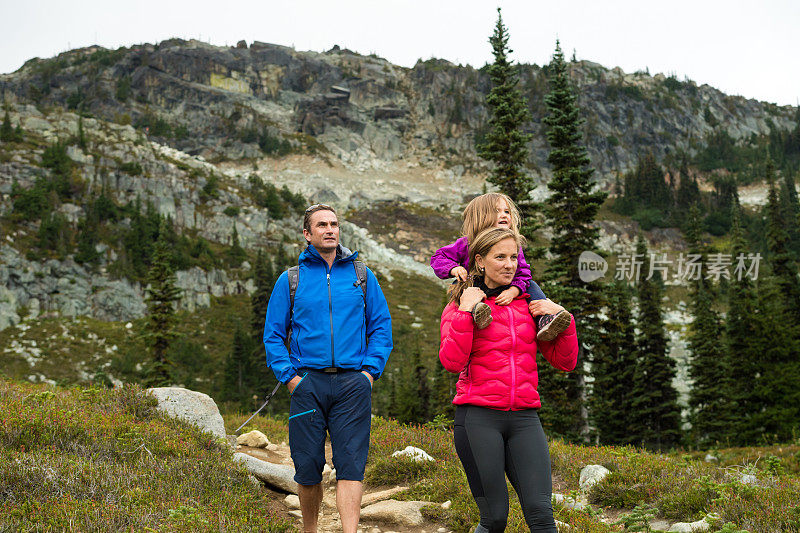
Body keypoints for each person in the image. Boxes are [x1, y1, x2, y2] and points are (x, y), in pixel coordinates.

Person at [439, 227, 579, 533]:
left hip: (525, 420)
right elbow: (452, 361)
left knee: (542, 516)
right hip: (478, 419)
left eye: (513, 257)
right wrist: (465, 311)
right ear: (480, 260)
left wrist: (561, 317)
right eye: (500, 257)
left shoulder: (528, 304)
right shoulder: (460, 304)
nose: (509, 264)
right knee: (495, 518)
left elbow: (566, 362)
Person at [263, 204, 393, 533]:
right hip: (307, 386)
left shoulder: (362, 275)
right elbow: (273, 335)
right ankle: (310, 529)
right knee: (307, 466)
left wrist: (368, 374)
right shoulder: (290, 279)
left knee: (351, 464)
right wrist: (291, 379)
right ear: (308, 234)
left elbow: (380, 327)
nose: (330, 229)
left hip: (353, 385)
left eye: (334, 224)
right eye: (321, 225)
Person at [430, 193, 570, 340]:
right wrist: (453, 268)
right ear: (480, 217)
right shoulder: (467, 243)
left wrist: (513, 291)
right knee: (458, 285)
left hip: (506, 284)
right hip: (476, 285)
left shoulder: (512, 244)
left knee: (532, 286)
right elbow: (439, 257)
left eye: (507, 211)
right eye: (497, 211)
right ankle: (477, 312)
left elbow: (523, 273)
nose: (504, 215)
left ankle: (544, 319)